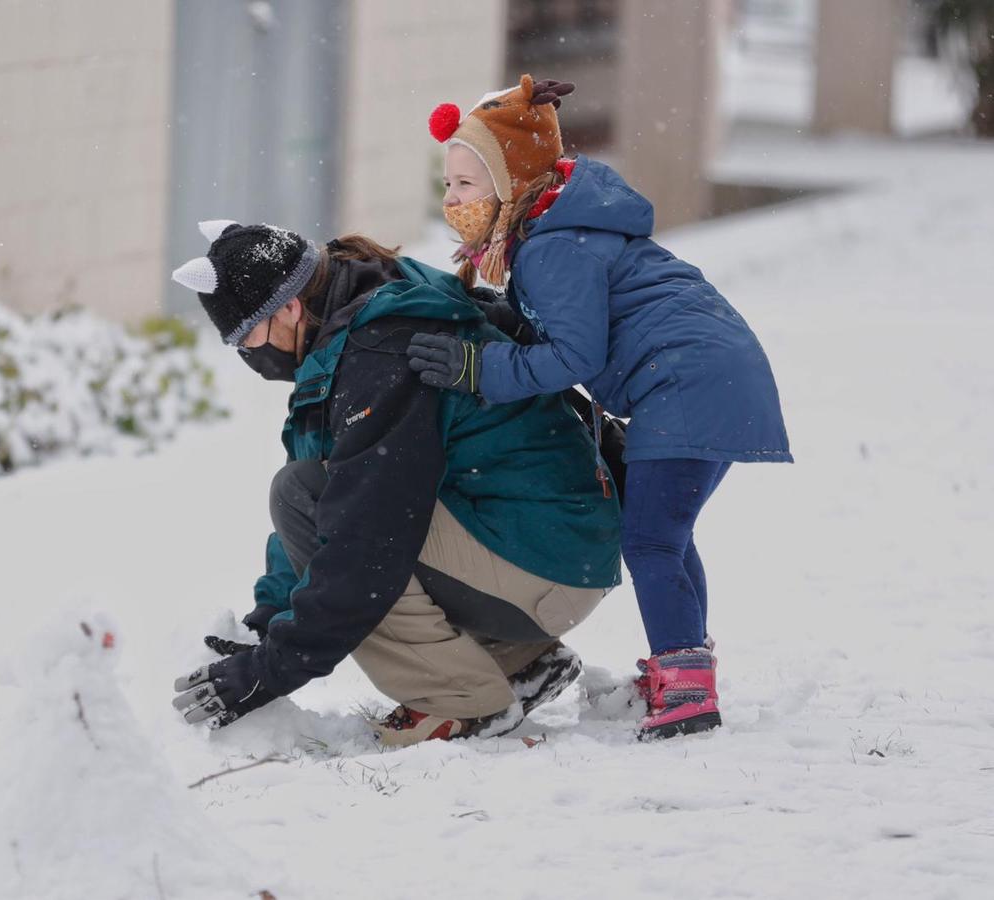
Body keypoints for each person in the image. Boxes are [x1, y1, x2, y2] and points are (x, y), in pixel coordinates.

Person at [406, 76, 793, 740]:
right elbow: (573, 327)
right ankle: (684, 672)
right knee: (664, 537)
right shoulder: (558, 229)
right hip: (708, 379)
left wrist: (478, 367)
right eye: (447, 185)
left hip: (686, 384)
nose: (452, 199)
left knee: (649, 539)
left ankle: (686, 690)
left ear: (509, 181)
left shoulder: (554, 243)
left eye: (466, 185)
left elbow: (574, 357)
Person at [168, 220, 622, 746]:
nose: (249, 355)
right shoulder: (361, 307)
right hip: (559, 546)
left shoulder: (377, 352)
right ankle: (519, 663)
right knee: (324, 498)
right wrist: (267, 620)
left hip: (546, 561)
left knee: (337, 522)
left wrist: (272, 668)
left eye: (248, 336)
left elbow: (358, 544)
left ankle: (463, 701)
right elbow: (330, 494)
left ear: (289, 307)